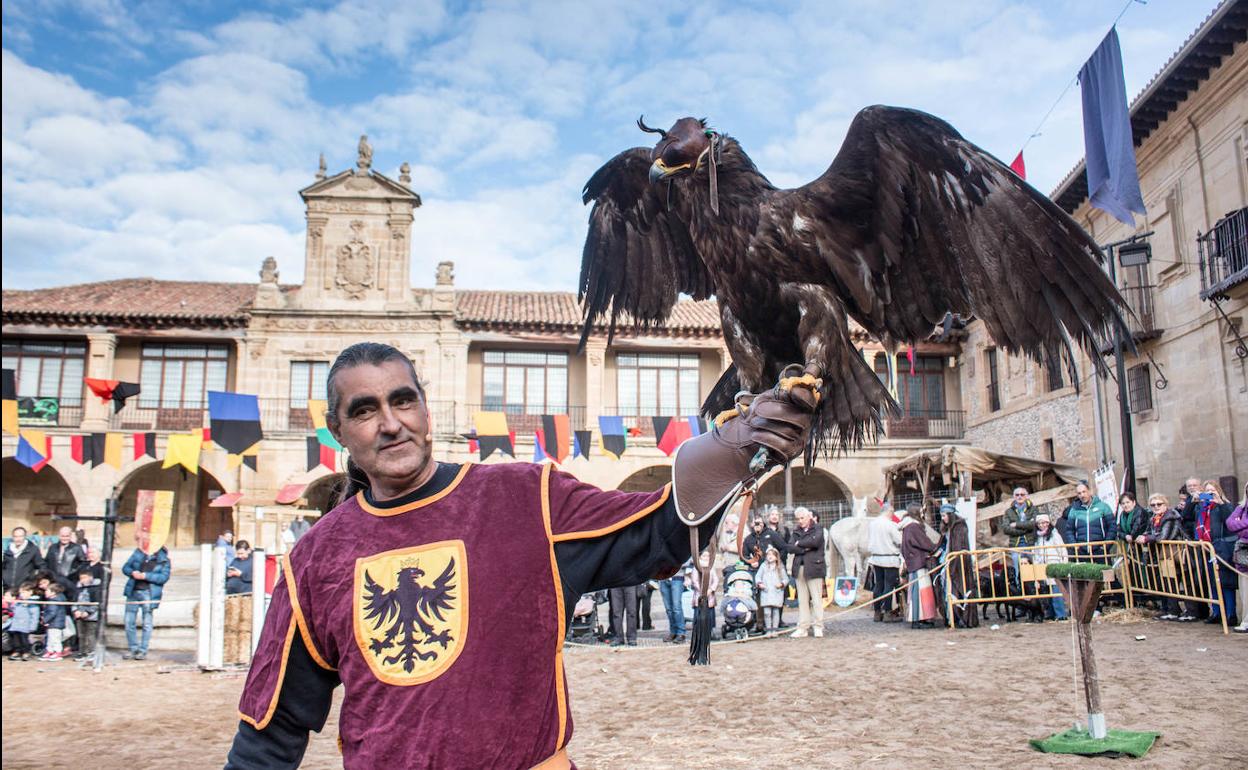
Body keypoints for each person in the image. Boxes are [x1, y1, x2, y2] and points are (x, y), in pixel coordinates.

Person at [226, 341, 815, 768]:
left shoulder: (526, 498)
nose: (390, 424)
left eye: (403, 401)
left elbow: (654, 532)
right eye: (364, 410)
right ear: (337, 430)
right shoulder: (317, 559)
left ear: (426, 412)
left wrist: (727, 456)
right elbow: (271, 731)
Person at [1195, 480, 1239, 627]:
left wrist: (1220, 502)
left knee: (1226, 583)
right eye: (1206, 491)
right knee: (1213, 582)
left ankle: (1230, 614)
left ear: (1218, 491)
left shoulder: (1224, 506)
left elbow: (1231, 521)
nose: (1209, 494)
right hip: (1208, 548)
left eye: (1212, 491)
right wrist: (1193, 499)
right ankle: (1217, 612)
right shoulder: (1202, 508)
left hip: (1223, 549)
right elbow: (1190, 517)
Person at [1138, 494, 1185, 621]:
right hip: (1163, 554)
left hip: (1174, 554)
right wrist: (1143, 536)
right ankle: (1171, 609)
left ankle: (1183, 611)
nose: (1156, 507)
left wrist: (1147, 538)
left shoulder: (1171, 517)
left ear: (1166, 504)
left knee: (1180, 582)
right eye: (1153, 505)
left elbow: (1164, 536)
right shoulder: (1154, 518)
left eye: (1159, 504)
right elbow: (1148, 531)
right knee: (1167, 582)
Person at [121, 543, 171, 660]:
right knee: (129, 622)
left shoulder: (164, 560)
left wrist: (146, 576)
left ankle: (143, 650)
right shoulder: (138, 553)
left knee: (147, 623)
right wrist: (132, 573)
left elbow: (164, 577)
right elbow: (126, 567)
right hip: (133, 591)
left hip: (149, 593)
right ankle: (133, 649)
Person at [789, 506, 826, 638]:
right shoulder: (796, 531)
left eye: (802, 518)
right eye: (798, 519)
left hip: (814, 567)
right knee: (802, 600)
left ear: (809, 516)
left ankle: (818, 625)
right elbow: (791, 547)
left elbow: (815, 542)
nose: (800, 521)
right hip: (799, 567)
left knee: (816, 599)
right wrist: (804, 547)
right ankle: (803, 627)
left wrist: (800, 544)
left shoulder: (818, 528)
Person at [899, 503, 938, 629]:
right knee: (918, 591)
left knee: (922, 591)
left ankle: (923, 617)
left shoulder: (910, 526)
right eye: (921, 512)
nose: (923, 514)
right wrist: (935, 547)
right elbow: (923, 542)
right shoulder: (913, 527)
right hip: (917, 562)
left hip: (916, 562)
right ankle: (916, 618)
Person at [940, 504, 978, 628]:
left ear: (950, 515)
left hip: (959, 564)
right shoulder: (948, 527)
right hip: (949, 562)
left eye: (944, 515)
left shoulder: (960, 526)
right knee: (951, 591)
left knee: (962, 589)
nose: (943, 518)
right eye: (941, 516)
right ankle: (954, 618)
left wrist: (952, 562)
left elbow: (958, 547)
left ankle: (965, 618)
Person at [866, 501, 903, 622]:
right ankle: (887, 613)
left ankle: (877, 612)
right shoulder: (890, 525)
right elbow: (899, 540)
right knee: (889, 585)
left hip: (876, 558)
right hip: (889, 557)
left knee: (878, 585)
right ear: (889, 511)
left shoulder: (872, 524)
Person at [1063, 482, 1116, 562]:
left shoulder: (1103, 507)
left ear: (1089, 491)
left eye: (1084, 492)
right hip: (1081, 552)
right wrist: (1075, 546)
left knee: (1105, 574)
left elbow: (1112, 527)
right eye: (1079, 493)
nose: (1082, 495)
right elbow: (1069, 530)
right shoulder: (1074, 510)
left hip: (1101, 551)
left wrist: (1106, 545)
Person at [1029, 513, 1068, 620]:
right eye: (1040, 523)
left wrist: (1064, 563)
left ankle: (1060, 614)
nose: (1042, 525)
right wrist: (1036, 565)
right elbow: (1035, 553)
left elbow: (1062, 549)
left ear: (1048, 523)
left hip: (1054, 564)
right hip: (1042, 566)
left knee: (1056, 590)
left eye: (1044, 523)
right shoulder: (1037, 538)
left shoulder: (1054, 535)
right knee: (1046, 591)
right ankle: (1050, 613)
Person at [1225, 482, 1248, 633]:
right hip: (1243, 553)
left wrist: (1241, 525)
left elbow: (1238, 527)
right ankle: (1246, 620)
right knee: (1245, 590)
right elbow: (1230, 523)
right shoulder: (1241, 506)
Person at [1002, 487, 1037, 578]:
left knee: (1035, 570)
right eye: (1017, 495)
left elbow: (1034, 524)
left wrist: (1016, 524)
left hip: (1031, 544)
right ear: (1014, 496)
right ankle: (1020, 590)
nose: (1019, 496)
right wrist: (1025, 528)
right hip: (1016, 546)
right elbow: (1005, 529)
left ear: (1027, 496)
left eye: (1022, 494)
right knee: (1017, 571)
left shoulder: (1033, 509)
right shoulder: (1008, 512)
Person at [754, 546, 788, 633]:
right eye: (768, 554)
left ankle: (774, 629)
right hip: (766, 592)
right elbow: (758, 576)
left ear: (776, 557)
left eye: (772, 555)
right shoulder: (763, 566)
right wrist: (759, 583)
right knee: (767, 612)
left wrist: (781, 584)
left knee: (776, 612)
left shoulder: (780, 567)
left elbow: (785, 579)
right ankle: (769, 629)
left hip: (776, 593)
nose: (770, 556)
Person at [70, 568, 101, 660]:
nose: (83, 580)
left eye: (85, 578)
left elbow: (96, 603)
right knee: (81, 635)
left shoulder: (95, 589)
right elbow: (74, 601)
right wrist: (75, 611)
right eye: (81, 578)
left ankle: (91, 652)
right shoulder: (78, 589)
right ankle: (82, 652)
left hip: (92, 617)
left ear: (90, 577)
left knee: (90, 635)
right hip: (79, 615)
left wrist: (87, 612)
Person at [44, 526, 85, 594]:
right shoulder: (52, 547)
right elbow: (47, 562)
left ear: (70, 536)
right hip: (54, 580)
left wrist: (73, 573)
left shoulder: (77, 548)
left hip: (70, 580)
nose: (65, 538)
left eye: (67, 536)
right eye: (62, 536)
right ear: (59, 536)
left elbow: (83, 563)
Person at [3, 526, 45, 591]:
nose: (18, 539)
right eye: (15, 536)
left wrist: (34, 582)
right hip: (8, 588)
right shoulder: (7, 550)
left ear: (25, 536)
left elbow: (42, 566)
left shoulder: (33, 550)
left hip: (25, 589)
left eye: (20, 536)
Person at [8, 582, 40, 661]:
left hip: (25, 626)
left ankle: (26, 652)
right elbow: (13, 610)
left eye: (24, 592)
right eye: (21, 593)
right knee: (16, 640)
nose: (22, 594)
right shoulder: (19, 602)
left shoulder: (33, 604)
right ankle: (17, 651)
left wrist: (33, 626)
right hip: (16, 625)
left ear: (30, 592)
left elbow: (35, 616)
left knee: (24, 640)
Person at [39, 580, 68, 661]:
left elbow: (52, 613)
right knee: (50, 639)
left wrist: (44, 620)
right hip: (52, 623)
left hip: (55, 623)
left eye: (47, 591)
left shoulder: (54, 601)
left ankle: (57, 652)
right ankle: (50, 651)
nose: (45, 592)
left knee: (55, 639)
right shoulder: (52, 601)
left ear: (53, 592)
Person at [657, 568, 686, 643]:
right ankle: (673, 632)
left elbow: (686, 559)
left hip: (677, 578)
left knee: (676, 608)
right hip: (663, 578)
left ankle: (681, 633)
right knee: (668, 609)